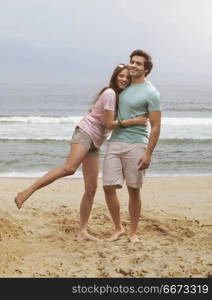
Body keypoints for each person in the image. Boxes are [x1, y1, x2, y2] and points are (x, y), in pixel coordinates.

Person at [14, 63, 148, 242]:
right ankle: (26, 192)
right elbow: (109, 124)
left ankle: (82, 231)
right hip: (85, 133)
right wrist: (135, 121)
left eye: (126, 77)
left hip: (95, 142)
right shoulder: (110, 93)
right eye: (120, 76)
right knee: (69, 168)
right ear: (115, 77)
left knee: (91, 189)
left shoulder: (120, 98)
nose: (123, 79)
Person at [103, 49, 161, 243]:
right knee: (108, 186)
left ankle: (133, 232)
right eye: (132, 62)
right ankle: (118, 227)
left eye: (138, 63)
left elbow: (155, 126)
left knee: (133, 189)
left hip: (137, 143)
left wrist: (148, 154)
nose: (133, 65)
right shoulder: (122, 86)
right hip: (115, 141)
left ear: (146, 69)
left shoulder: (151, 93)